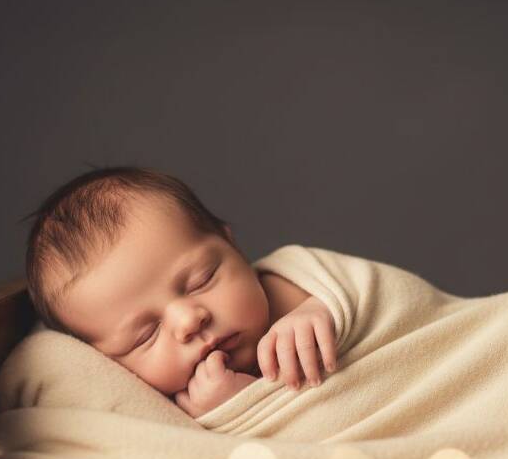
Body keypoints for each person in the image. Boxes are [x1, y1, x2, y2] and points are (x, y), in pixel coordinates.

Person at [21, 166, 339, 418]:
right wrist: (232, 412)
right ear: (110, 363)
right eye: (145, 334)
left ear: (232, 246)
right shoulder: (165, 416)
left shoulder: (301, 281)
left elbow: (380, 296)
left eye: (201, 280)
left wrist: (323, 306)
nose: (189, 321)